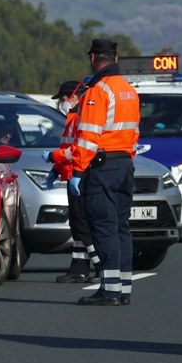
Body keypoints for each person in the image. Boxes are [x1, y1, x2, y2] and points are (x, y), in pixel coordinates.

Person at [69, 39, 140, 306]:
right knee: (121, 227)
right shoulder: (129, 91)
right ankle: (122, 288)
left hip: (102, 166)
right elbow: (134, 134)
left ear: (93, 57)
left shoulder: (98, 91)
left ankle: (109, 290)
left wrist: (77, 170)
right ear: (116, 57)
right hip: (124, 163)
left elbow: (88, 137)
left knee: (103, 227)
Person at [42, 80, 102, 283]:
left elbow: (77, 150)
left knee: (84, 224)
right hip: (71, 174)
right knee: (77, 225)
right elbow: (68, 147)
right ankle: (79, 267)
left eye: (64, 98)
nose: (62, 102)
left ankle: (100, 265)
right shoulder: (72, 117)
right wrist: (55, 170)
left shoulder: (82, 118)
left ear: (74, 96)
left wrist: (53, 157)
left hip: (82, 175)